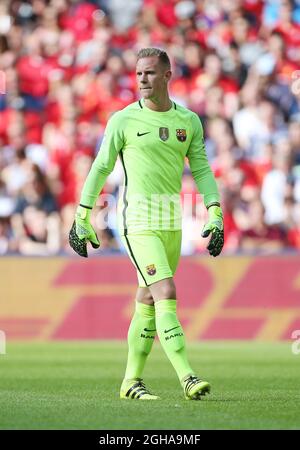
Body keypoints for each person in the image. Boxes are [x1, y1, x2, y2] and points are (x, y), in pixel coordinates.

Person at [69, 48, 224, 400]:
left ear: (167, 76)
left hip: (172, 223)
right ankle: (187, 376)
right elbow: (101, 168)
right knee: (166, 292)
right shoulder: (123, 120)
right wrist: (82, 214)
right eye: (139, 73)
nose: (142, 79)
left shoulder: (188, 121)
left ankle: (130, 382)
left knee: (148, 301)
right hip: (137, 223)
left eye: (150, 73)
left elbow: (200, 168)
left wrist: (215, 210)